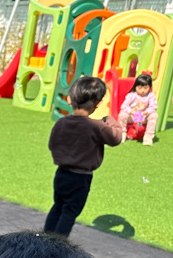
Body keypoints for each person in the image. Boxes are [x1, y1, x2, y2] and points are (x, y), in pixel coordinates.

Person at [43, 76, 124, 237]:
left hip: (61, 174)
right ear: (98, 103)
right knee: (70, 212)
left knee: (58, 206)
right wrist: (111, 121)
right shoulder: (97, 126)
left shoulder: (61, 123)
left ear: (70, 99)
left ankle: (45, 239)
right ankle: (58, 244)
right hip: (81, 178)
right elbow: (116, 138)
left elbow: (52, 144)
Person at [118, 73, 157, 145]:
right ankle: (122, 133)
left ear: (150, 87)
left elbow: (153, 106)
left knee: (154, 115)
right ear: (135, 87)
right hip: (132, 116)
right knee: (122, 114)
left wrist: (145, 113)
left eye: (145, 88)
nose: (142, 90)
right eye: (140, 88)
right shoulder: (131, 95)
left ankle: (148, 136)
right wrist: (132, 112)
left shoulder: (150, 95)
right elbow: (124, 106)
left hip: (143, 116)